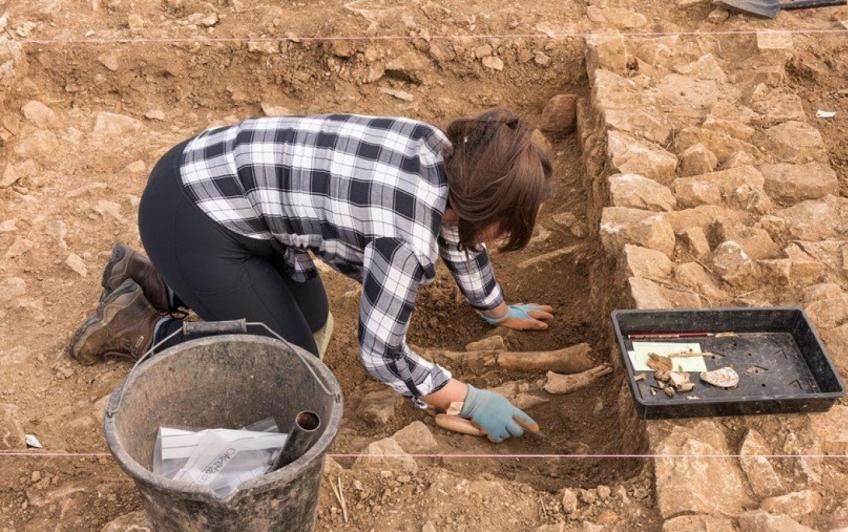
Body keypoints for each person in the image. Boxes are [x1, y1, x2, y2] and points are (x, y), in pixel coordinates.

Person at [67, 108, 555, 443]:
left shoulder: (441, 151)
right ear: (482, 205)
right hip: (194, 210)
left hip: (210, 178)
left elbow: (462, 233)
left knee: (317, 323)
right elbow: (381, 355)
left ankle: (156, 278)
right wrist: (463, 398)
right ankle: (140, 324)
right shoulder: (403, 235)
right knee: (296, 374)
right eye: (505, 224)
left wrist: (495, 307)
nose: (501, 236)